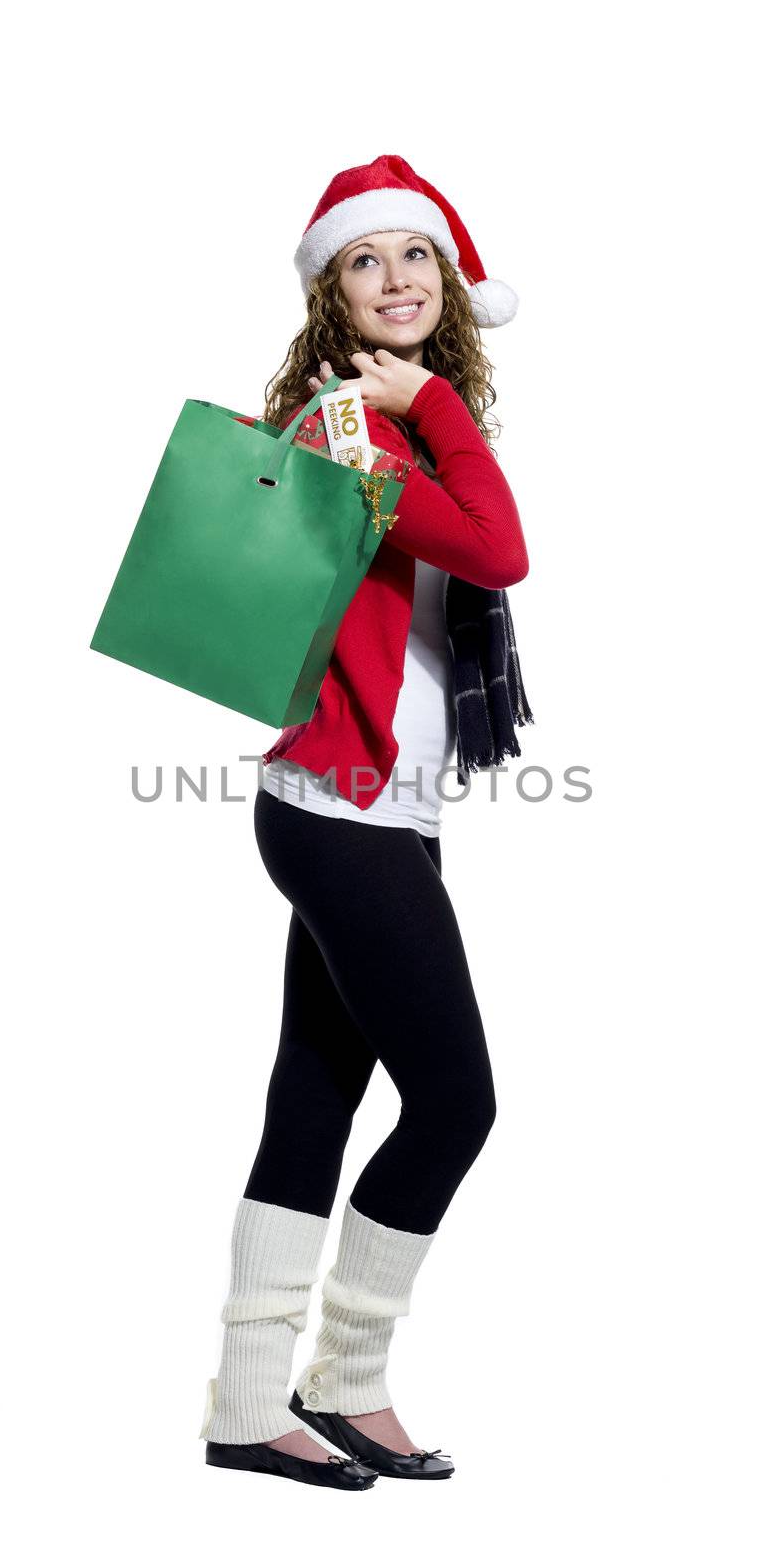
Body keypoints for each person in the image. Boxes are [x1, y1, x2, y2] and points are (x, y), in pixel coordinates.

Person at [199, 155, 534, 1492]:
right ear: (330, 293)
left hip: (365, 804)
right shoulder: (356, 425)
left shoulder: (378, 421)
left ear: (448, 281)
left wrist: (435, 414)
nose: (395, 282)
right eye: (363, 261)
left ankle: (247, 1405)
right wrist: (439, 406)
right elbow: (496, 550)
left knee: (317, 1100)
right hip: (343, 808)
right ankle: (342, 1378)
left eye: (416, 258)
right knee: (456, 1100)